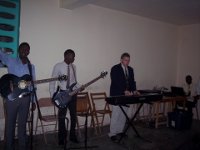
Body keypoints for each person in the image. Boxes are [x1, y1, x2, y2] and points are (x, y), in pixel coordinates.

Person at [0, 42, 36, 150]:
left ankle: (22, 146)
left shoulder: (31, 66)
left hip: (26, 99)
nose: (25, 51)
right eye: (23, 49)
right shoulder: (11, 60)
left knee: (22, 124)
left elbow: (33, 84)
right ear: (18, 50)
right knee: (10, 125)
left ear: (29, 51)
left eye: (27, 50)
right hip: (12, 99)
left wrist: (33, 100)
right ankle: (9, 147)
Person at [49, 49, 80, 145]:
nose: (74, 58)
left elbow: (74, 82)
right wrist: (52, 95)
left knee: (73, 116)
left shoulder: (74, 67)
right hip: (62, 95)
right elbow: (52, 81)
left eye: (74, 56)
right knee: (62, 117)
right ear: (66, 56)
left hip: (73, 94)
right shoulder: (58, 66)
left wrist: (79, 87)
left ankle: (72, 136)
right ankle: (61, 138)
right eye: (72, 56)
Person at [108, 52, 140, 142]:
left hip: (127, 95)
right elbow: (115, 81)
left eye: (128, 60)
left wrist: (134, 90)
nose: (127, 62)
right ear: (121, 60)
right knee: (116, 114)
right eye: (126, 60)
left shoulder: (130, 69)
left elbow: (132, 82)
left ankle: (119, 131)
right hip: (117, 94)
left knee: (123, 114)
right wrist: (124, 91)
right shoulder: (115, 68)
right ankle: (112, 133)